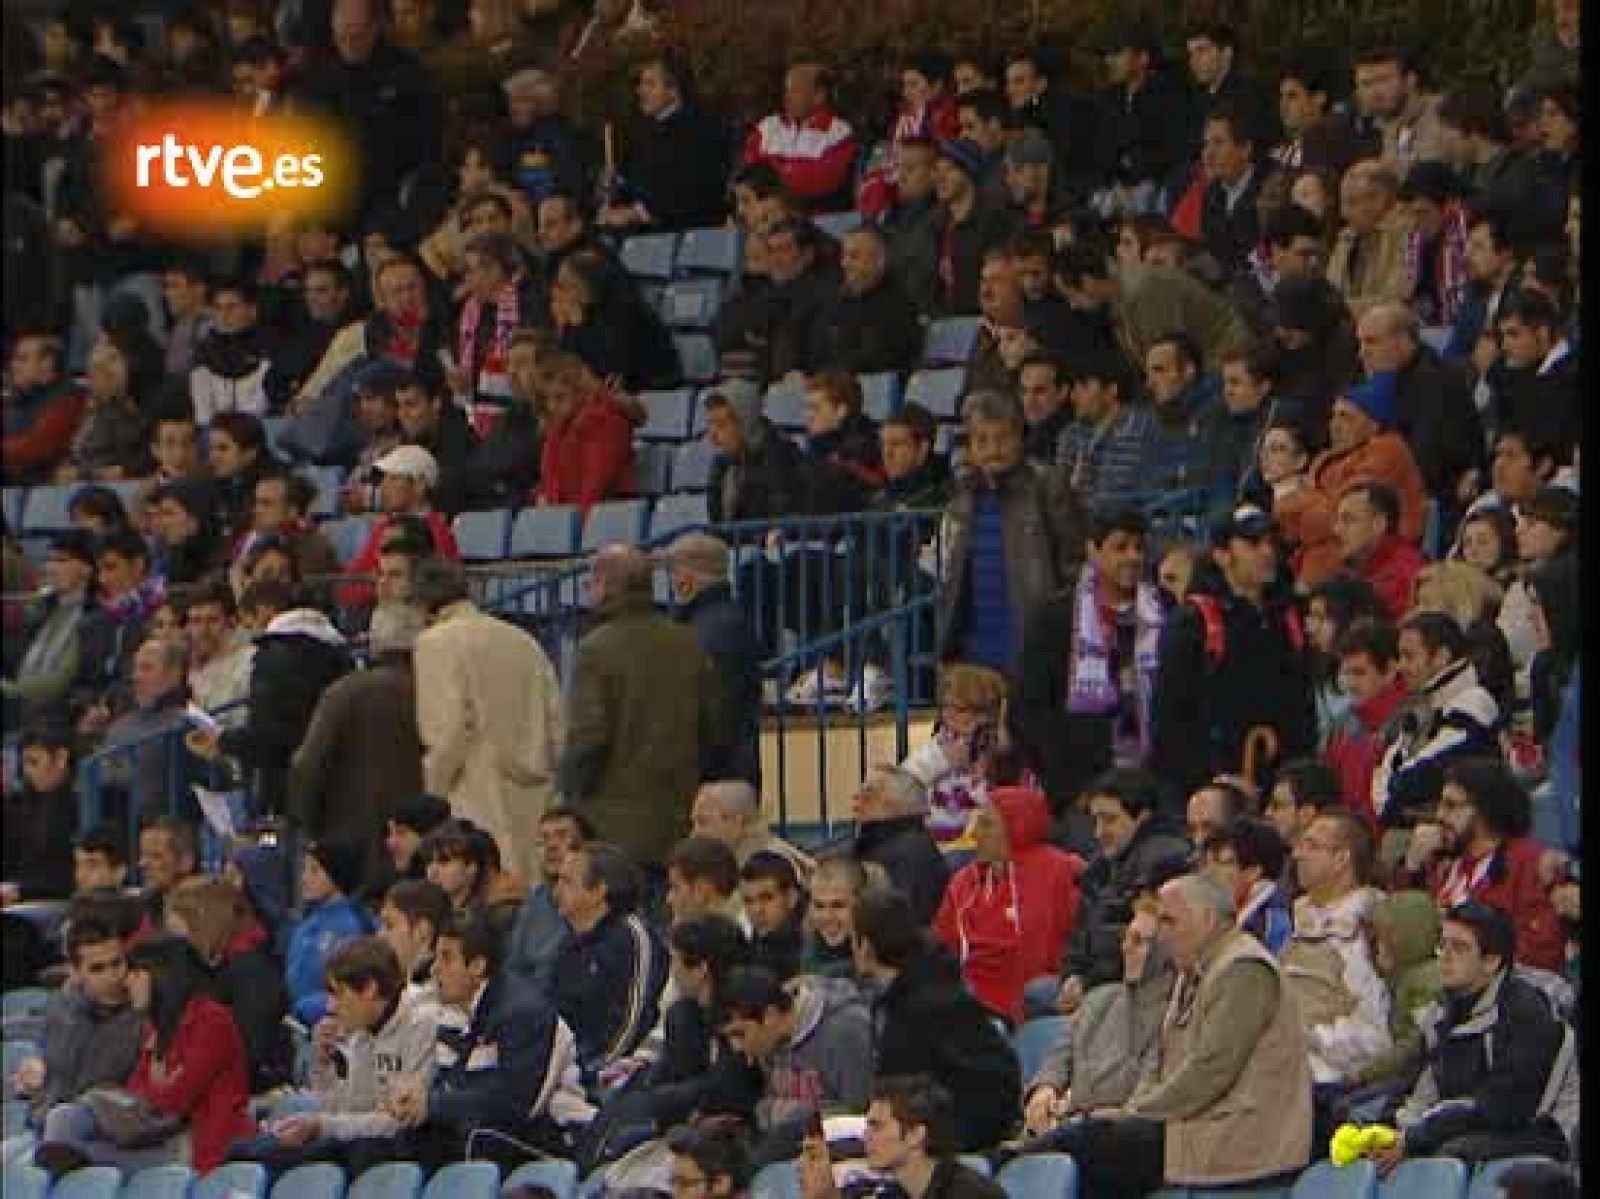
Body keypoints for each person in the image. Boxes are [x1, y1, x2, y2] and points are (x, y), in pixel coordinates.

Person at [1027, 873, 1312, 1197]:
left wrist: (1135, 1113)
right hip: (1187, 1121)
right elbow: (1160, 1062)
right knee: (1087, 1140)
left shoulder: (1244, 970)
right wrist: (1129, 1112)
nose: (1161, 935)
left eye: (1169, 921)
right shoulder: (1193, 971)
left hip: (1236, 1132)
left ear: (1205, 919)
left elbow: (1209, 1071)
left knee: (1091, 1145)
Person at [562, 544, 725, 871]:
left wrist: (571, 796)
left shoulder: (595, 650)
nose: (587, 592)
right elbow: (713, 730)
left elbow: (588, 739)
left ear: (606, 585)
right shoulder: (688, 642)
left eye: (590, 583)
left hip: (612, 825)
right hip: (680, 815)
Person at [1378, 902, 1575, 1170]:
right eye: (1442, 945)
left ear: (1491, 961)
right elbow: (1414, 1085)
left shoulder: (1526, 1014)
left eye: (1459, 948)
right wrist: (1386, 1130)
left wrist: (1415, 1138)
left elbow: (1502, 1108)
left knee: (1449, 1153)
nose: (1445, 956)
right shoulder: (1442, 1013)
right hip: (1472, 1124)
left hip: (1543, 1131)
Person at [34, 934, 254, 1174]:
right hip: (153, 1134)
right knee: (64, 1116)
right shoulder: (157, 1026)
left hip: (194, 1144)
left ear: (160, 976)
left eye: (135, 974)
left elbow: (173, 1104)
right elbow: (136, 1092)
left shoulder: (211, 1021)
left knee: (83, 1158)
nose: (126, 982)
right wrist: (158, 1084)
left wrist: (158, 1088)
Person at [228, 936, 438, 1178]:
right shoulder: (362, 1031)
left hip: (404, 1145)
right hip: (361, 1140)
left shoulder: (422, 1023)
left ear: (369, 988)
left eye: (338, 994)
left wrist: (321, 1125)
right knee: (242, 1151)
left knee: (290, 1159)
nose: (330, 1007)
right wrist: (323, 1064)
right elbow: (344, 1111)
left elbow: (400, 1120)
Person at [410, 556, 563, 882]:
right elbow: (556, 725)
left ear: (422, 606)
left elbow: (446, 734)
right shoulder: (525, 641)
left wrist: (431, 802)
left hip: (475, 800)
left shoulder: (435, 643)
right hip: (536, 799)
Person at [1150, 505, 1318, 798]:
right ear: (1222, 555)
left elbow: (1303, 709)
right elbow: (1170, 721)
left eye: (1271, 543)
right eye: (1254, 544)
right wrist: (1212, 780)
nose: (1267, 553)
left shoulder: (1289, 615)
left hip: (1280, 788)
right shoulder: (1193, 622)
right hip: (1210, 787)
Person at [385, 915, 578, 1168]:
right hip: (489, 1128)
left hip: (551, 1131)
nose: (434, 969)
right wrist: (418, 1097)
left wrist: (433, 1104)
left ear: (476, 966)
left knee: (470, 1140)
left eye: (446, 958)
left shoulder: (521, 1013)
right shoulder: (455, 1013)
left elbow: (515, 1102)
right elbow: (454, 1084)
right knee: (399, 1140)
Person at [1018, 507, 1165, 812]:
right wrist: (1064, 784)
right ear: (1093, 551)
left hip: (1153, 779)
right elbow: (1030, 708)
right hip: (1078, 786)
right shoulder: (1057, 617)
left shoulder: (1162, 611)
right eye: (1120, 547)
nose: (1133, 557)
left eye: (1139, 548)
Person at [934, 390, 1085, 670]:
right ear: (970, 447)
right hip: (974, 649)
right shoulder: (962, 498)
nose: (993, 449)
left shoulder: (1048, 487)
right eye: (982, 440)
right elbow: (953, 579)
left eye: (1003, 438)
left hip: (1036, 643)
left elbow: (1074, 565)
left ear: (1020, 439)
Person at [289, 604, 426, 882]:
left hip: (348, 845)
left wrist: (307, 822)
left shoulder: (345, 692)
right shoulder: (433, 692)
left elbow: (305, 765)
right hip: (419, 841)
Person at [1020, 895, 1174, 1139]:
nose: (1126, 947)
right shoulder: (1098, 999)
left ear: (1164, 954)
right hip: (1066, 1123)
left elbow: (1141, 1102)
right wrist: (1045, 1089)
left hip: (1113, 1135)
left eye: (1139, 942)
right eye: (1126, 937)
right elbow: (1061, 1055)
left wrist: (1079, 1116)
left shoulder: (1171, 1016)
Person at [195, 580, 352, 819]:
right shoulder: (339, 654)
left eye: (248, 624)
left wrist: (223, 740)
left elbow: (270, 734)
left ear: (264, 612)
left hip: (287, 788)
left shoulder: (273, 658)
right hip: (335, 782)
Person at [1398, 759, 1564, 972]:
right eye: (1440, 805)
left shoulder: (1529, 862)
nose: (1440, 815)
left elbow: (1542, 953)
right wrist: (1412, 868)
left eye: (1451, 806)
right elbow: (1402, 936)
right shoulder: (1441, 863)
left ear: (1486, 808)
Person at [932, 788, 1082, 1024]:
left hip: (1032, 1004)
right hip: (965, 1000)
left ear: (1016, 826)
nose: (975, 835)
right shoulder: (963, 882)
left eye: (987, 825)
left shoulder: (1058, 871)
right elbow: (941, 946)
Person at [288, 0, 443, 222]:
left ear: (375, 29)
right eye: (341, 38)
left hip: (394, 196)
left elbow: (428, 142)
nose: (348, 45)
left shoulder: (408, 73)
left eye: (356, 37)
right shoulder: (316, 80)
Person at [1055, 768, 1191, 1009]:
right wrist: (1071, 975)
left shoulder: (1163, 860)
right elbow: (1079, 935)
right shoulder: (1100, 867)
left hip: (1138, 989)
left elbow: (1139, 945)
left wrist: (1086, 983)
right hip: (1094, 982)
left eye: (1109, 820)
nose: (1098, 832)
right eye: (1095, 820)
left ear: (1143, 816)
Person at [715, 965, 873, 1166]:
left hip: (839, 1148)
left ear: (770, 1016)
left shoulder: (846, 1032)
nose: (736, 1047)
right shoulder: (770, 1042)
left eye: (740, 1034)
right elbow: (771, 1101)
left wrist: (796, 1117)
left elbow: (861, 1112)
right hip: (791, 1140)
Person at [1283, 811, 1393, 1094]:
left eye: (1312, 846)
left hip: (1324, 1079)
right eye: (1300, 844)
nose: (1297, 854)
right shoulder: (1297, 919)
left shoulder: (1365, 929)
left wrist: (1311, 1038)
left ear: (1342, 859)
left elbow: (1375, 1036)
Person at [8, 919, 142, 1137]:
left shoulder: (140, 1014)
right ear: (75, 972)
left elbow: (100, 1079)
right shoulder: (63, 1007)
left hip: (104, 1127)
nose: (112, 976)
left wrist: (137, 1012)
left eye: (117, 963)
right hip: (42, 1123)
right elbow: (55, 1075)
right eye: (97, 969)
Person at [1372, 611, 1501, 831]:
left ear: (1441, 656)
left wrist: (1394, 801)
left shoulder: (1473, 703)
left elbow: (1412, 782)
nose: (1400, 667)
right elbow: (1384, 774)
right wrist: (1392, 803)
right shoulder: (1421, 707)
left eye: (1409, 656)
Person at [163, 878, 292, 1095]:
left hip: (242, 1091)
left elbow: (248, 1050)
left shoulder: (254, 972)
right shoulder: (205, 968)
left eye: (183, 931)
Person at [551, 843, 667, 1085]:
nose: (556, 891)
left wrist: (590, 1072)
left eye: (566, 882)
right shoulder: (568, 942)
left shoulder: (632, 937)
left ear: (598, 891)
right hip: (569, 1065)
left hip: (617, 1072)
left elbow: (633, 1021)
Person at [799, 1074, 1006, 1199]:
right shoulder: (894, 1193)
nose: (865, 1137)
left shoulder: (972, 1195)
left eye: (876, 1127)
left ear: (916, 1135)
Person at [664, 533, 763, 788]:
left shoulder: (711, 631)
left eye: (673, 572)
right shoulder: (724, 622)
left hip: (716, 776)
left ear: (686, 580)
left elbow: (714, 715)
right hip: (725, 769)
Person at [597, 53, 730, 233]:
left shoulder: (699, 130)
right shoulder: (645, 133)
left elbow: (691, 191)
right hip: (645, 237)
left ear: (674, 90)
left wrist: (636, 213)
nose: (640, 91)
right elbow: (638, 185)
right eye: (641, 83)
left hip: (685, 236)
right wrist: (616, 186)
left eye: (650, 84)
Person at [1324, 623, 1409, 829]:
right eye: (1346, 673)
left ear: (1389, 670)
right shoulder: (1343, 724)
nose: (1350, 683)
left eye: (1359, 673)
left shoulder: (1409, 722)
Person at [743, 62, 858, 211]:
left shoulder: (838, 132)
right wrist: (790, 171)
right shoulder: (768, 126)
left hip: (814, 216)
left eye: (795, 91)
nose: (787, 97)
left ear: (819, 96)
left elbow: (824, 181)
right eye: (786, 91)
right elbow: (748, 170)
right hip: (761, 212)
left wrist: (774, 170)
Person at [285, 840, 375, 1026]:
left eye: (315, 870)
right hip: (298, 1026)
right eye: (304, 869)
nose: (304, 878)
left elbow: (353, 985)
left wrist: (312, 1006)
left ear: (336, 873)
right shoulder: (307, 922)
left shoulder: (354, 925)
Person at [504, 806, 590, 997]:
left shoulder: (599, 902)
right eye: (543, 840)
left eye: (562, 836)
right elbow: (514, 967)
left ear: (587, 846)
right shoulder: (536, 899)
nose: (551, 846)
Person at [848, 766, 949, 925]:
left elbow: (902, 922)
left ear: (899, 805)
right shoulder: (875, 844)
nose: (856, 797)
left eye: (869, 793)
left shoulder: (912, 856)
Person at [702, 380, 806, 523]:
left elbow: (781, 518)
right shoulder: (722, 462)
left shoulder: (780, 458)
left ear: (745, 422)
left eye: (721, 425)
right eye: (710, 424)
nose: (712, 435)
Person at [2, 722, 78, 902]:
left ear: (61, 758)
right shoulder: (23, 801)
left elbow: (69, 875)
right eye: (24, 764)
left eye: (34, 762)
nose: (27, 771)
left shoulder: (81, 801)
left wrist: (23, 891)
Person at [1199, 817, 1293, 955]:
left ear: (1253, 871)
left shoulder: (1273, 926)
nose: (1207, 872)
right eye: (1206, 863)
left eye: (1221, 862)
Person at [1334, 483, 1428, 620]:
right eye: (1337, 520)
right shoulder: (1351, 570)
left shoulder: (1408, 570)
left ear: (1379, 524)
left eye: (1348, 520)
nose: (1336, 529)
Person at [689, 780, 814, 881]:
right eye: (694, 823)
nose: (694, 834)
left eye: (703, 822)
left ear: (736, 822)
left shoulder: (770, 862)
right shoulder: (732, 858)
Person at [740, 852, 806, 981]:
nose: (756, 910)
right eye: (748, 901)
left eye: (766, 898)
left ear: (792, 897)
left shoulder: (806, 948)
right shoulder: (761, 938)